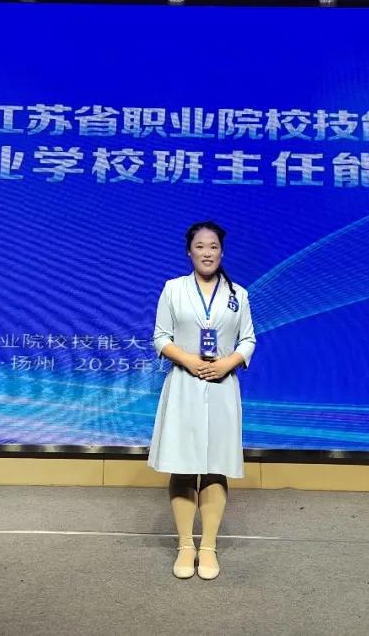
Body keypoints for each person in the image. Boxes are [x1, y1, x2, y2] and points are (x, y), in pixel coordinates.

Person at [147, 220, 257, 580]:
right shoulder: (173, 289)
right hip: (184, 384)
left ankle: (208, 546)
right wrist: (190, 361)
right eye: (200, 246)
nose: (207, 253)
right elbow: (161, 337)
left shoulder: (238, 295)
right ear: (189, 252)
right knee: (183, 464)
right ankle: (185, 545)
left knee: (214, 466)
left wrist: (227, 363)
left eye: (213, 247)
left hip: (222, 387)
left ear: (221, 252)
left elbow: (248, 340)